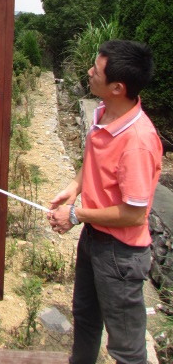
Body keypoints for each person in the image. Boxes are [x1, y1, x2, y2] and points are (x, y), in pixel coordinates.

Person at [48, 40, 162, 364]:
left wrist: (75, 214)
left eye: (95, 70)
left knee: (126, 350)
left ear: (117, 86)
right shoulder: (104, 113)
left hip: (120, 256)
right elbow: (95, 161)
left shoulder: (138, 141)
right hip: (94, 240)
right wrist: (75, 186)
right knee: (85, 320)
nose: (89, 72)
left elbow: (134, 214)